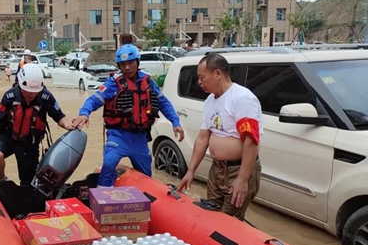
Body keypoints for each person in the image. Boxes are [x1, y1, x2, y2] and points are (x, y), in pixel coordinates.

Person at [72, 44, 185, 187]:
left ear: (137, 62)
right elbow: (94, 99)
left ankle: (143, 201)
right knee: (109, 163)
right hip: (118, 135)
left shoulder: (148, 82)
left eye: (130, 63)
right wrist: (84, 113)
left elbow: (164, 103)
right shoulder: (113, 83)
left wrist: (175, 122)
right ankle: (103, 197)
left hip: (140, 138)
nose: (127, 68)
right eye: (123, 64)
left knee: (146, 173)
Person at [177, 53, 263, 219]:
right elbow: (203, 138)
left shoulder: (242, 98)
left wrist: (242, 179)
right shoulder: (210, 101)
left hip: (237, 170)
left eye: (202, 77)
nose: (199, 82)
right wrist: (191, 171)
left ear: (217, 73)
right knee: (211, 215)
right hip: (217, 170)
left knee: (229, 222)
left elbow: (251, 141)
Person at [0, 64, 74, 185]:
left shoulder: (45, 97)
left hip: (30, 142)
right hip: (9, 135)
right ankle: (2, 180)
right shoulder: (10, 96)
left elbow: (59, 116)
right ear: (20, 86)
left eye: (34, 92)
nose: (31, 95)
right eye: (28, 92)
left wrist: (68, 125)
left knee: (28, 181)